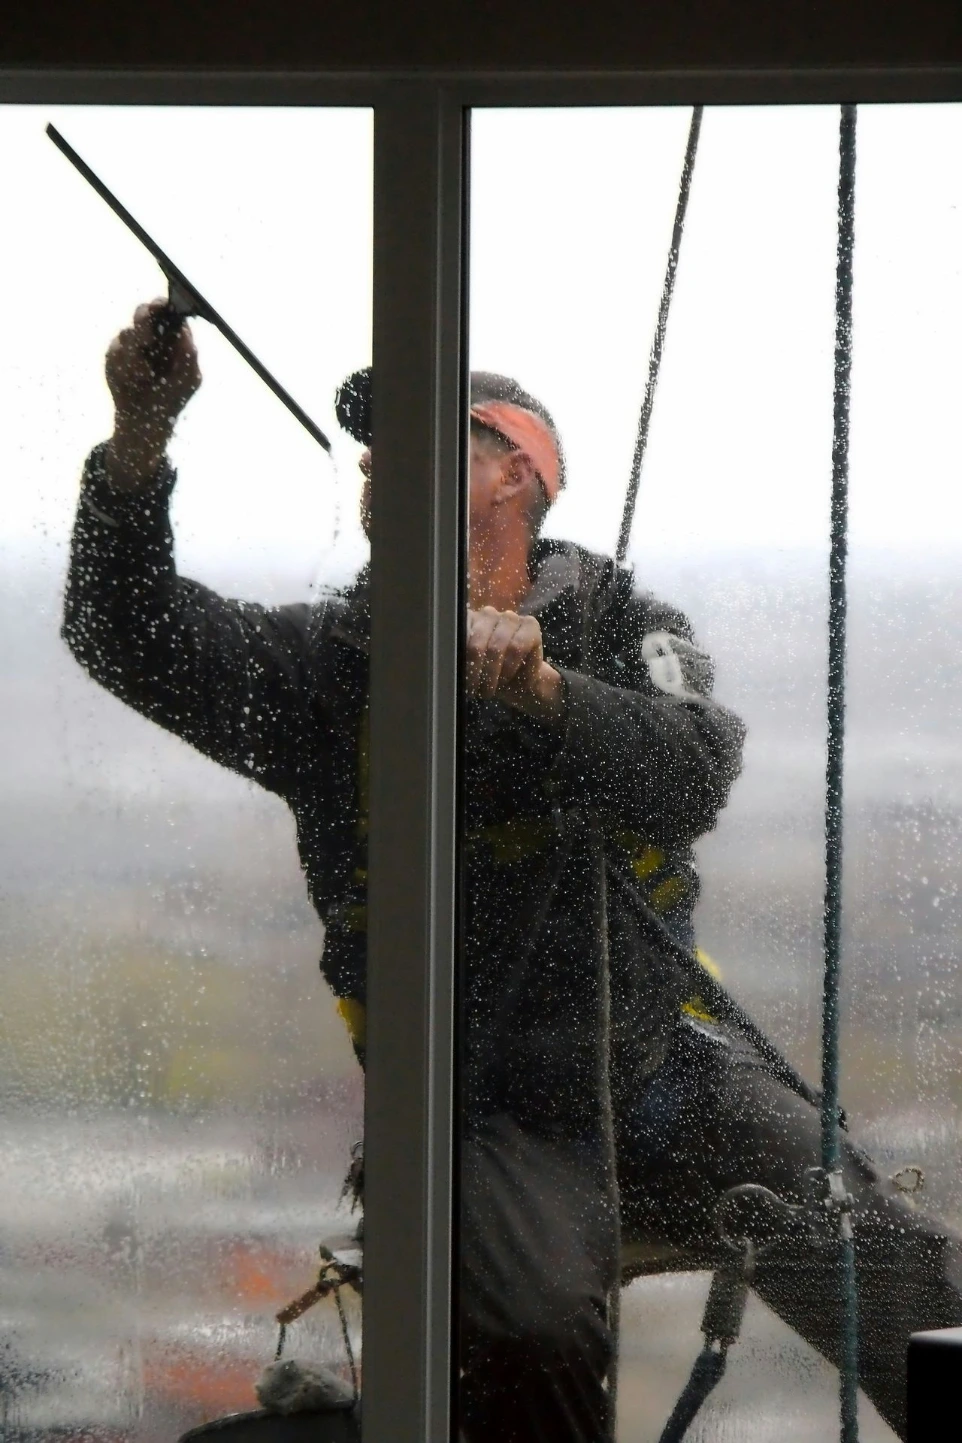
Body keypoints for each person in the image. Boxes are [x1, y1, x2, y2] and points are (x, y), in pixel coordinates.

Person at [63, 300, 962, 1442]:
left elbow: (693, 768)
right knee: (533, 1334)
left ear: (518, 477)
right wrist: (137, 440)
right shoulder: (333, 671)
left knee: (896, 1270)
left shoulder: (617, 624)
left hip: (654, 1061)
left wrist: (545, 694)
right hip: (480, 1101)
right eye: (374, 448)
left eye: (425, 440)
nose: (378, 464)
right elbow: (125, 628)